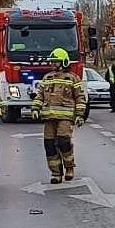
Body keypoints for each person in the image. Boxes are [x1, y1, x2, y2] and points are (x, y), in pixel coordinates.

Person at [31, 47, 87, 183]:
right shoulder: (47, 78)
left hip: (66, 118)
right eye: (52, 62)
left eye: (56, 62)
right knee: (49, 145)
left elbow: (80, 97)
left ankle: (69, 168)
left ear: (64, 62)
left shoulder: (72, 78)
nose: (53, 64)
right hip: (49, 118)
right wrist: (35, 108)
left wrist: (80, 115)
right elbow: (40, 95)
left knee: (64, 142)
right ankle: (56, 173)